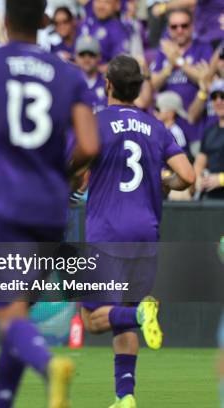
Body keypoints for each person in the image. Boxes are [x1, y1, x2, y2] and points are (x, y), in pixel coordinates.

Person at [0, 1, 100, 407]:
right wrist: (63, 171)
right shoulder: (69, 74)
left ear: (4, 19)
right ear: (45, 21)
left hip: (6, 204)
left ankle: (49, 367)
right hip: (51, 208)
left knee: (9, 317)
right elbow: (89, 145)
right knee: (17, 317)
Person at [80, 55, 195, 408]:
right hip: (145, 231)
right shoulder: (156, 127)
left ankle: (140, 315)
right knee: (123, 313)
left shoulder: (97, 123)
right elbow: (188, 177)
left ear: (109, 85)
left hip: (106, 232)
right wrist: (163, 180)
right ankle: (125, 395)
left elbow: (73, 164)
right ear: (139, 87)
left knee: (93, 319)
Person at [194, 79, 224, 200]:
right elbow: (199, 164)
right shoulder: (209, 131)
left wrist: (221, 179)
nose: (219, 101)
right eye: (214, 97)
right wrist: (198, 180)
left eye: (223, 96)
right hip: (211, 200)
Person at [75, 35, 108, 114]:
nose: (87, 59)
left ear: (99, 56)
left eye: (91, 54)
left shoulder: (108, 84)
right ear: (75, 56)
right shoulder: (69, 84)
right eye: (82, 54)